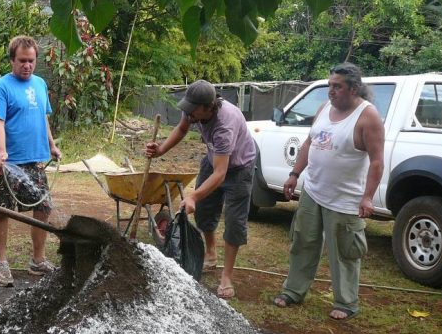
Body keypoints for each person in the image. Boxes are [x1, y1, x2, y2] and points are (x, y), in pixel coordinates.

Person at [273, 63, 385, 320]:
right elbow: (309, 142)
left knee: (345, 252)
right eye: (329, 85)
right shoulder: (324, 109)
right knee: (303, 242)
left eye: (337, 86)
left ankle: (346, 302)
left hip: (345, 200)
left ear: (354, 88)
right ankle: (293, 291)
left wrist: (367, 197)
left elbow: (377, 161)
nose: (331, 91)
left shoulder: (368, 117)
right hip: (313, 191)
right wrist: (294, 174)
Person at [146, 80, 256, 299]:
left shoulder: (225, 125)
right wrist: (160, 150)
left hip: (238, 168)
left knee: (234, 222)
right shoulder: (193, 111)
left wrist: (194, 195)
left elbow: (220, 173)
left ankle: (226, 276)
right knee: (205, 212)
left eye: (192, 108)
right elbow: (182, 129)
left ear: (208, 107)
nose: (188, 112)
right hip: (213, 160)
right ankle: (211, 252)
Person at [0, 35, 61, 287]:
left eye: (31, 61)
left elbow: (43, 117)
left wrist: (51, 145)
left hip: (35, 161)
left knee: (44, 208)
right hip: (6, 164)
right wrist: (2, 151)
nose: (27, 65)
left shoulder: (39, 84)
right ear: (12, 60)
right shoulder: (1, 87)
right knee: (2, 211)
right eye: (22, 61)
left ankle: (38, 260)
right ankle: (1, 263)